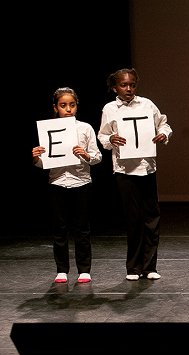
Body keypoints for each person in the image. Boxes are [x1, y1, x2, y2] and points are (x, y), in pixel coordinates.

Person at [98, 68, 172, 281]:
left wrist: (162, 134)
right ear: (115, 87)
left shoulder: (147, 104)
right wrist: (111, 139)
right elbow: (102, 135)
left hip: (147, 167)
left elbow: (164, 124)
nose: (129, 89)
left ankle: (149, 266)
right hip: (124, 169)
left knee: (151, 218)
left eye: (132, 84)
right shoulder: (110, 108)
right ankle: (133, 267)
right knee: (133, 218)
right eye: (124, 85)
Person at [32, 87, 102, 284]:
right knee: (59, 228)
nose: (68, 109)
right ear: (55, 108)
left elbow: (97, 157)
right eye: (63, 105)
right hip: (57, 182)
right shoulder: (48, 130)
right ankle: (62, 269)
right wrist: (36, 158)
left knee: (82, 229)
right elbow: (44, 163)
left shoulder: (85, 128)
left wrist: (86, 155)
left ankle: (84, 269)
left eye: (72, 105)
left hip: (81, 182)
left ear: (77, 106)